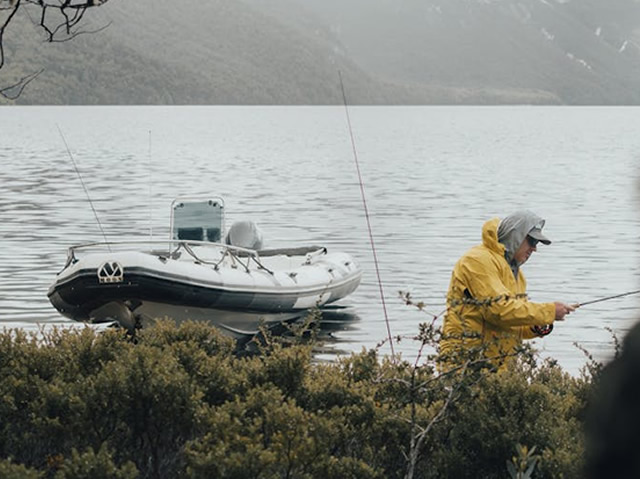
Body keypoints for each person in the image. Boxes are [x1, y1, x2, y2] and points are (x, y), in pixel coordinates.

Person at [439, 210, 575, 369]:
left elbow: (511, 321)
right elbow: (498, 310)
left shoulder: (517, 274)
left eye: (536, 244)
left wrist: (534, 327)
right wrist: (549, 311)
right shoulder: (477, 260)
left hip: (499, 369)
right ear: (515, 236)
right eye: (531, 241)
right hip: (466, 364)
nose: (534, 249)